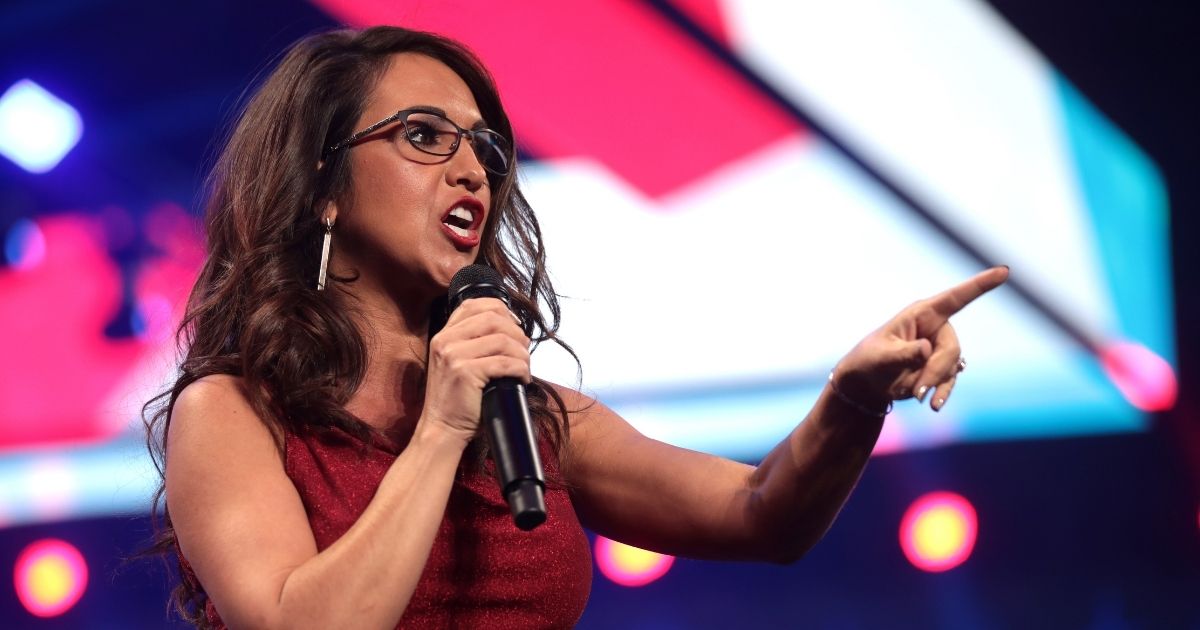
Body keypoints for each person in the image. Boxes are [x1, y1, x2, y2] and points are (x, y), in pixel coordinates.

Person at [145, 25, 1008, 629]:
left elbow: (761, 514)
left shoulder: (534, 419)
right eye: (424, 137)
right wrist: (441, 429)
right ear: (323, 182)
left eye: (485, 150)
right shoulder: (234, 412)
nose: (471, 172)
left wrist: (853, 397)